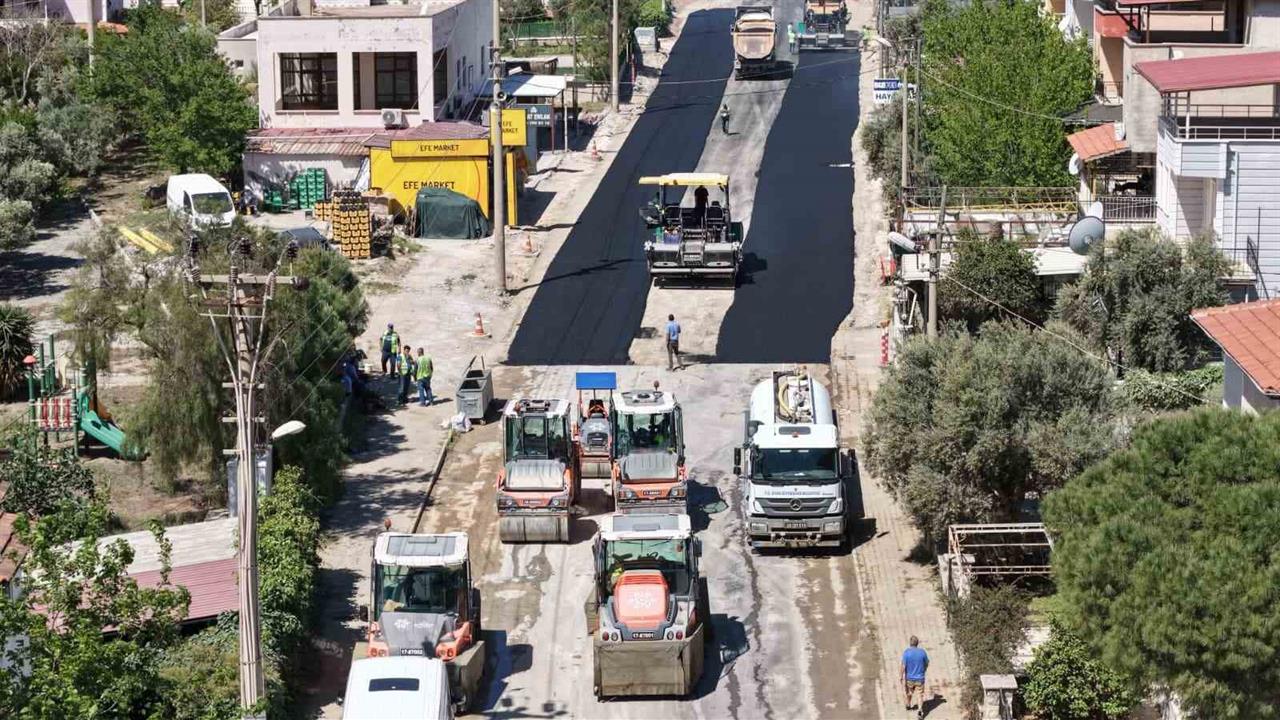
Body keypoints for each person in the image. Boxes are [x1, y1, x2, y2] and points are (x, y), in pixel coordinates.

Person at [902, 636, 929, 718]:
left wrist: (901, 676)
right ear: (917, 643)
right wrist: (924, 669)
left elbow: (903, 666)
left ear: (910, 643)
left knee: (909, 692)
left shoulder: (906, 653)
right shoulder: (922, 652)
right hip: (920, 678)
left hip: (909, 678)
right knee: (920, 694)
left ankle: (908, 704)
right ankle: (920, 711)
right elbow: (927, 663)